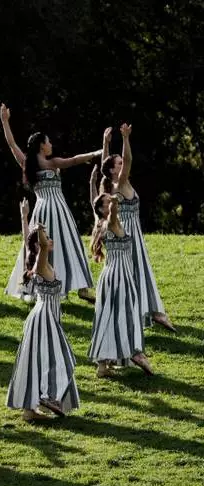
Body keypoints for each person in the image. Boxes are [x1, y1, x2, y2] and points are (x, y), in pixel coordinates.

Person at [0, 104, 98, 301]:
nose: (51, 144)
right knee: (67, 245)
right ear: (41, 146)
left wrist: (5, 121)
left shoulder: (34, 163)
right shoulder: (48, 163)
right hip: (57, 209)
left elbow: (12, 144)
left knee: (44, 246)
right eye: (48, 142)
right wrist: (96, 153)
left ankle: (68, 287)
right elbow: (74, 160)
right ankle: (77, 288)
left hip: (44, 210)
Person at [5, 203, 79, 421]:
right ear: (40, 244)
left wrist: (24, 217)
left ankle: (29, 411)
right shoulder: (41, 262)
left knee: (35, 359)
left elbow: (26, 242)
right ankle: (48, 396)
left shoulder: (36, 259)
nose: (50, 239)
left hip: (42, 315)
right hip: (45, 316)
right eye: (47, 237)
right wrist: (38, 232)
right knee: (59, 357)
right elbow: (38, 245)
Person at [97, 124, 175, 331]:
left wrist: (105, 144)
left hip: (127, 231)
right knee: (138, 270)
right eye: (119, 164)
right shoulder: (121, 183)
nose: (123, 165)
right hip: (129, 233)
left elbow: (105, 166)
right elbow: (129, 160)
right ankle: (153, 313)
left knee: (135, 271)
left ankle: (148, 312)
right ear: (114, 170)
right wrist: (125, 138)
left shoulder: (110, 184)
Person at [87, 193, 154, 377]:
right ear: (103, 209)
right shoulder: (111, 223)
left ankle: (103, 365)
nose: (112, 202)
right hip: (120, 276)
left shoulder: (101, 223)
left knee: (107, 317)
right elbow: (112, 213)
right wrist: (115, 201)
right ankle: (133, 351)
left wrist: (93, 183)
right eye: (108, 202)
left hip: (109, 276)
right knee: (126, 313)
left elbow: (94, 204)